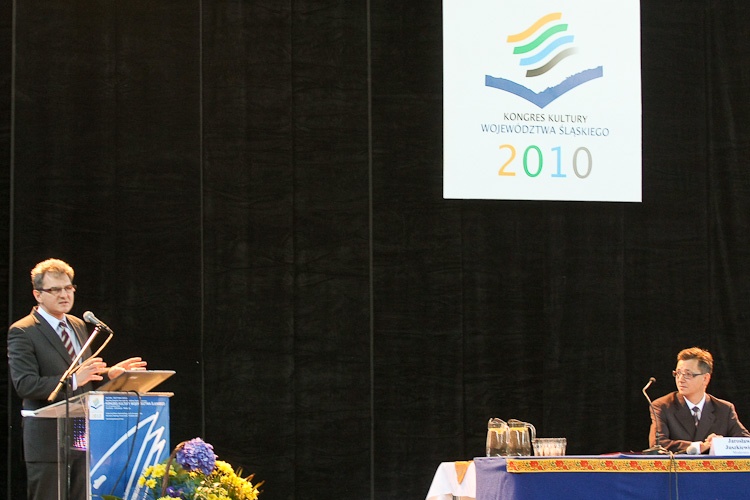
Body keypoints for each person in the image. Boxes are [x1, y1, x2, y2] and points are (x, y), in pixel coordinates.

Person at [7, 258, 147, 500]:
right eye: (55, 289)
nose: (64, 295)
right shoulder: (23, 331)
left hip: (82, 436)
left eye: (68, 288)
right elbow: (25, 384)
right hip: (48, 441)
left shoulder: (78, 325)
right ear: (38, 295)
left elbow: (85, 376)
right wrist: (73, 380)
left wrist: (110, 373)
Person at [649, 346, 750, 454]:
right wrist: (697, 447)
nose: (680, 379)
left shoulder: (724, 409)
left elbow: (746, 443)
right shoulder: (662, 406)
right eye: (678, 373)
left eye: (688, 374)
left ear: (705, 378)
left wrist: (721, 443)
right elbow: (657, 445)